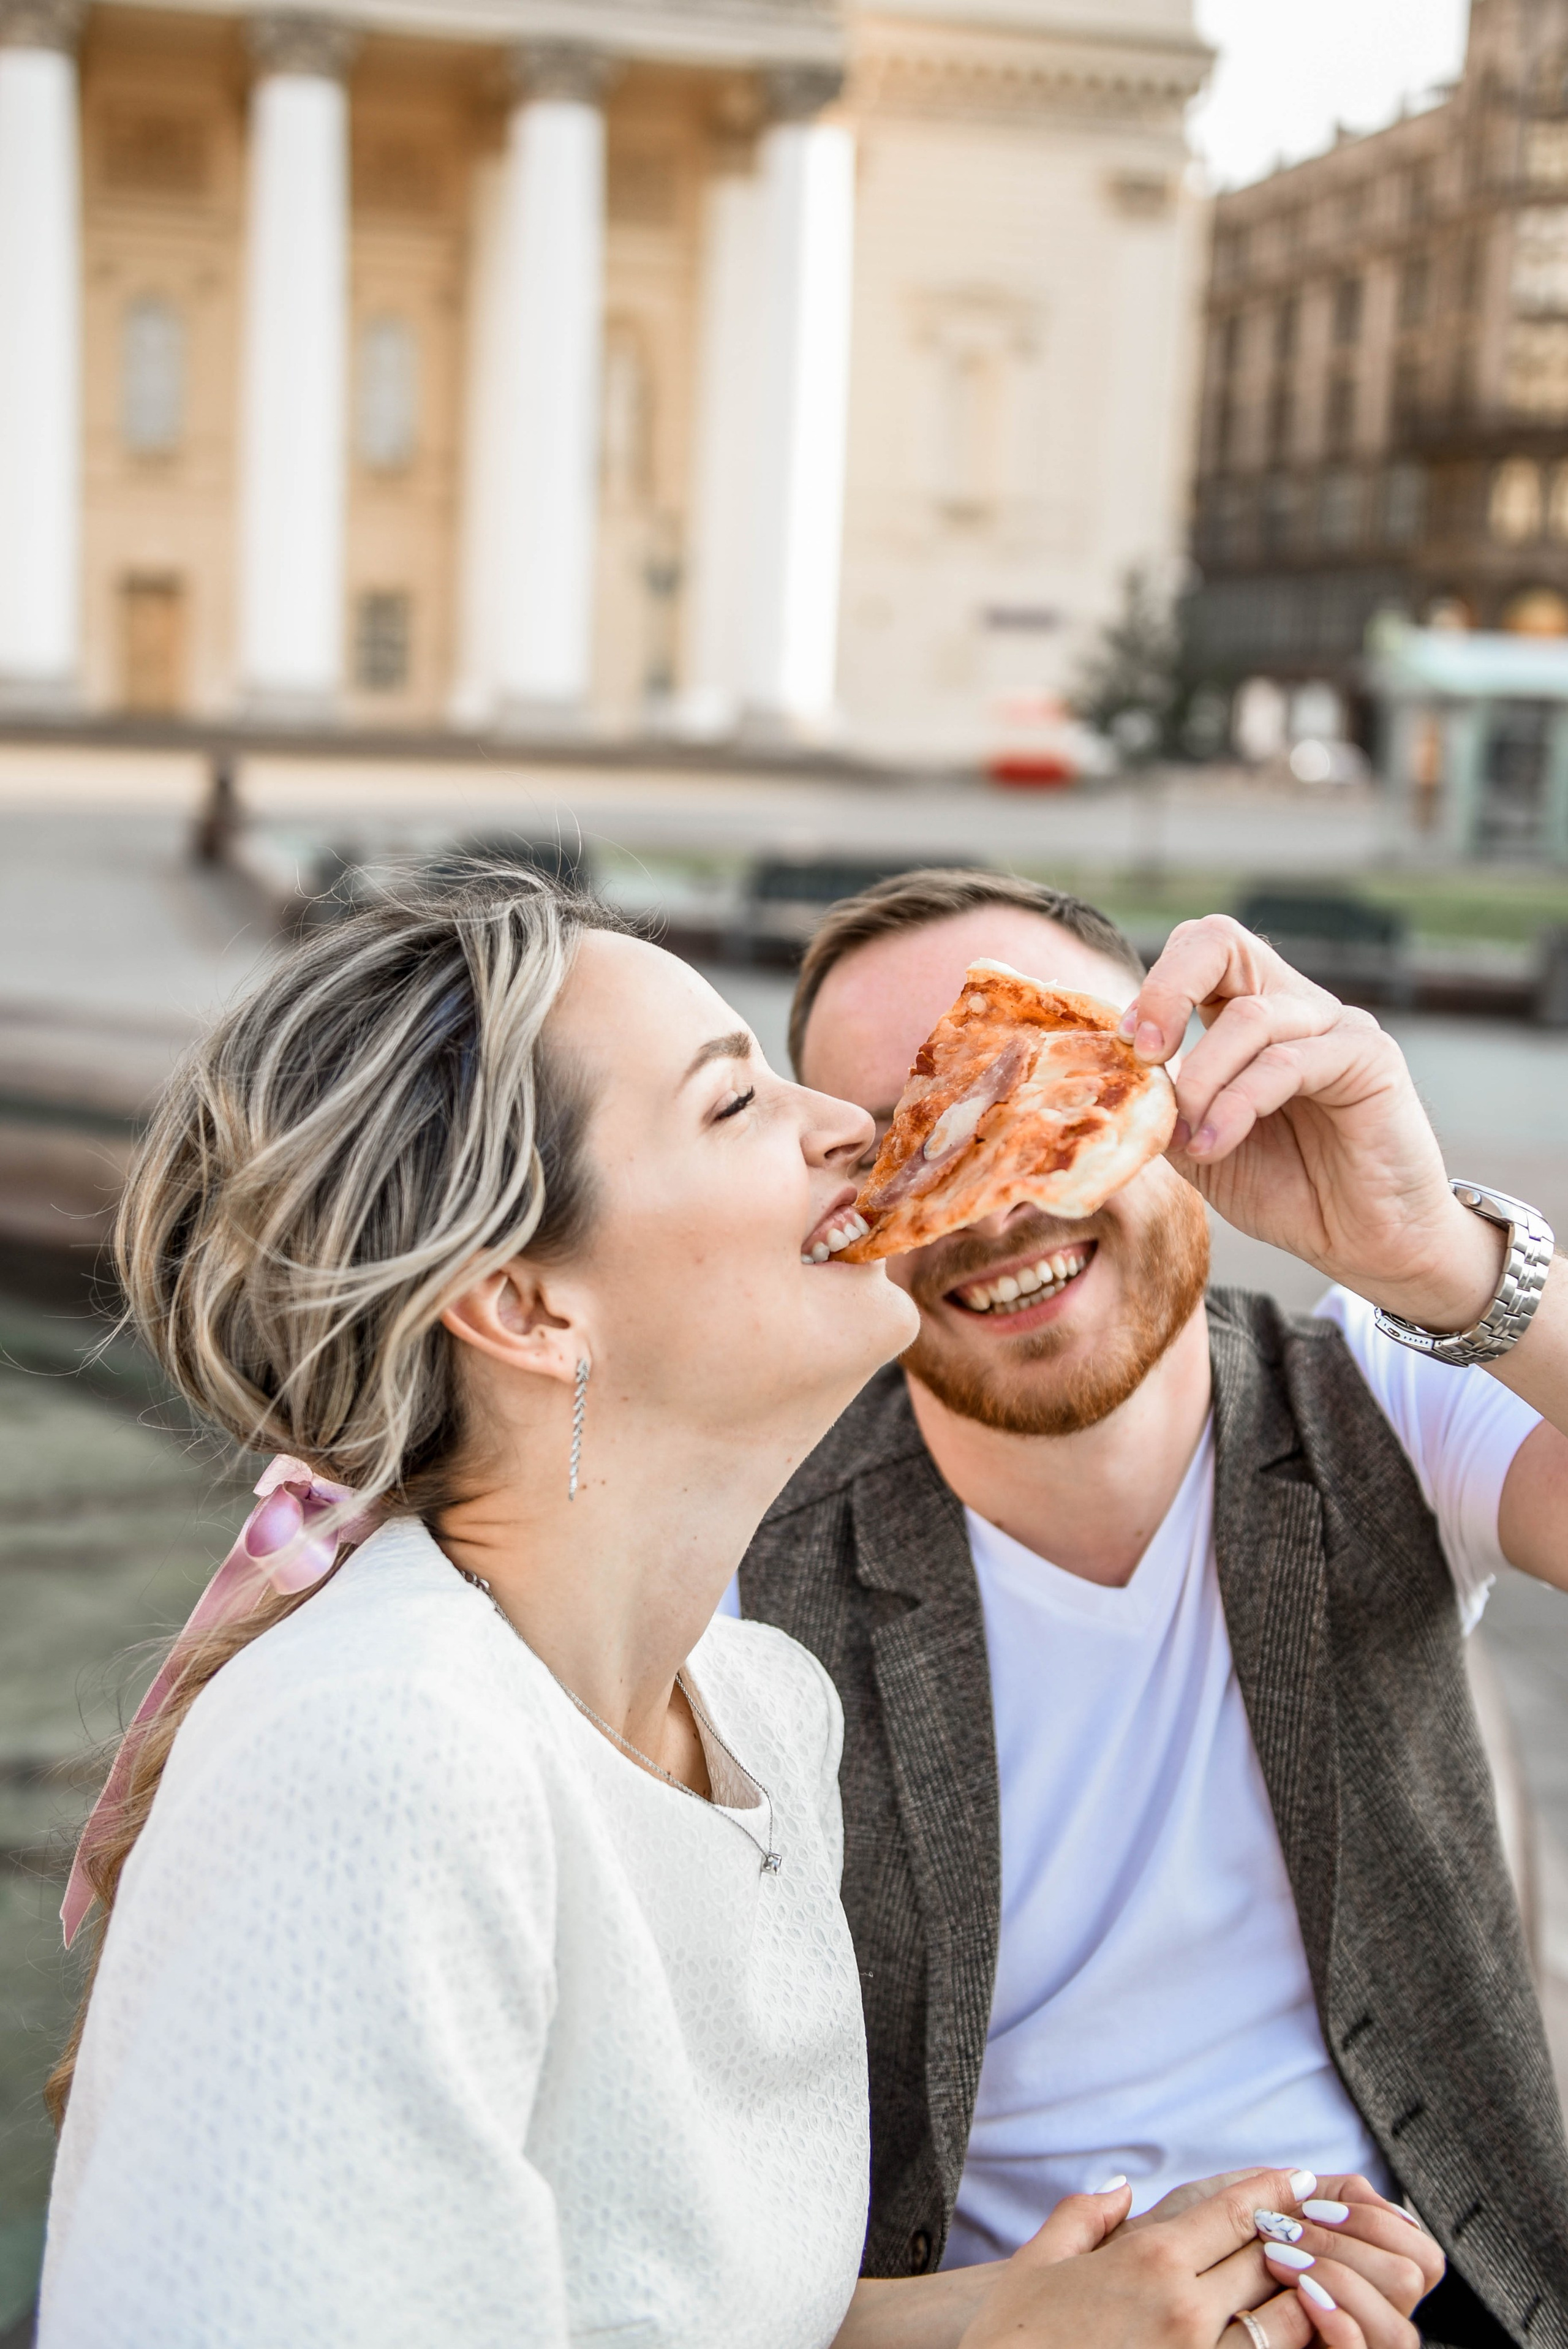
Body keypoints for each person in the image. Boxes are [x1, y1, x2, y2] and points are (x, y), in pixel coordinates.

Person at [36, 869, 1429, 2349]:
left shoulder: (759, 1707)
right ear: (524, 1307)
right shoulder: (381, 1763)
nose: (853, 1127)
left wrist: (1021, 2312)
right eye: (732, 1104)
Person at [734, 870, 1568, 2349]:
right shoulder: (743, 1567)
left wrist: (1431, 1253)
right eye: (908, 1144)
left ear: (1172, 1092)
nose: (995, 1199)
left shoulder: (1380, 1395)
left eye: (1031, 1090)